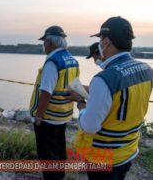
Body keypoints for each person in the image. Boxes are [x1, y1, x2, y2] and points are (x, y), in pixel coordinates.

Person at [69, 16, 153, 180]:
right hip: (128, 150)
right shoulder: (146, 69)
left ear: (106, 42)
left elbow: (89, 126)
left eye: (100, 39)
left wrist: (80, 102)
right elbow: (124, 99)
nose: (99, 44)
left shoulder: (104, 79)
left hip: (104, 158)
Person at [29, 25, 79, 180]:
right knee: (58, 149)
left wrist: (39, 116)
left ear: (49, 42)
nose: (43, 45)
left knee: (47, 155)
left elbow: (46, 91)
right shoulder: (72, 60)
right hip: (62, 114)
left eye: (44, 41)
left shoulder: (52, 62)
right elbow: (75, 85)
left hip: (48, 117)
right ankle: (59, 176)